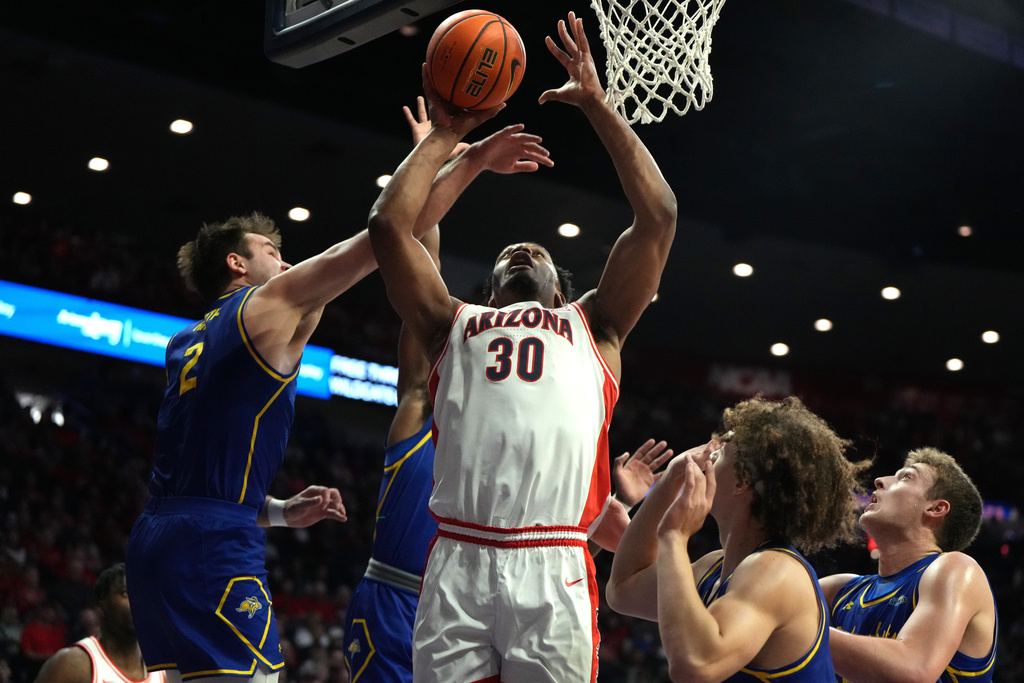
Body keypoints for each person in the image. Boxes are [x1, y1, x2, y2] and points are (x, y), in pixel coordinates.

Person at [124, 104, 551, 683]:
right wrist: (461, 153)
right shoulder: (266, 307)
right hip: (211, 545)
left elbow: (196, 471)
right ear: (237, 265)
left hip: (156, 542)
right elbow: (387, 235)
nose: (288, 260)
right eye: (272, 253)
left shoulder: (184, 342)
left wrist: (271, 511)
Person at [366, 11, 677, 682]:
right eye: (512, 251)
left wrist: (599, 106)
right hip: (458, 559)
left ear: (562, 293)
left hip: (554, 560)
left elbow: (658, 217)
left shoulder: (594, 327)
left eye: (537, 253)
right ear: (491, 284)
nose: (523, 251)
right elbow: (390, 225)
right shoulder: (452, 322)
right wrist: (453, 134)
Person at [608, 396, 869, 682]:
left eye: (719, 454)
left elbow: (695, 666)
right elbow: (623, 589)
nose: (705, 459)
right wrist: (671, 478)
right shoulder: (715, 566)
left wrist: (673, 535)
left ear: (742, 481)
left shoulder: (777, 571)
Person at [821, 447, 998, 682]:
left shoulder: (957, 569)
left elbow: (914, 670)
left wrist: (803, 631)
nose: (880, 481)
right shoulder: (841, 589)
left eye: (906, 477)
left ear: (935, 509)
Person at [33, 563, 166, 683]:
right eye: (126, 592)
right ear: (101, 606)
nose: (137, 600)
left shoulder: (165, 668)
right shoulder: (72, 665)